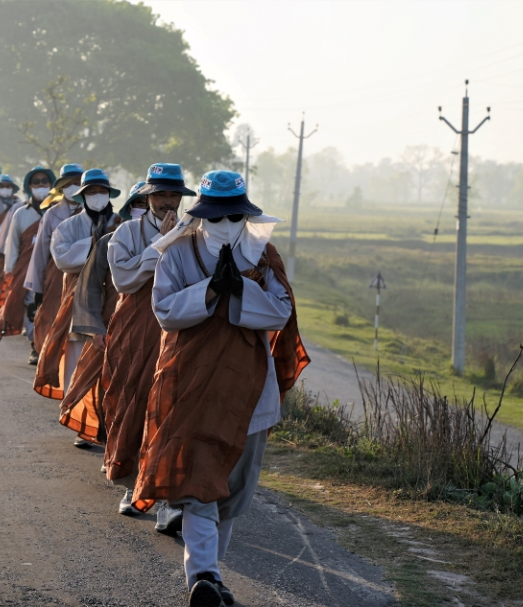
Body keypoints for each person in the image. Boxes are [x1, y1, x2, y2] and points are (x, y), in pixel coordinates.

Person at [132, 170, 309, 607]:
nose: (225, 224)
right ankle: (203, 575)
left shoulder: (263, 255)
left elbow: (281, 313)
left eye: (234, 216)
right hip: (189, 386)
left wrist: (241, 289)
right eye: (216, 216)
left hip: (249, 391)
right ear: (201, 215)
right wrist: (209, 292)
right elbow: (164, 311)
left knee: (231, 492)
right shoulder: (177, 252)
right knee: (198, 487)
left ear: (245, 215)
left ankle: (213, 577)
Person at [103, 164, 192, 530]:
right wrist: (162, 245)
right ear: (147, 197)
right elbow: (123, 280)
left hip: (179, 327)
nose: (167, 202)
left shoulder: (193, 232)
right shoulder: (127, 232)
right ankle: (134, 485)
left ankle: (171, 497)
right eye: (160, 195)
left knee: (173, 407)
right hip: (137, 329)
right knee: (134, 401)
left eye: (173, 195)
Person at [36, 169, 121, 446]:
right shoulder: (68, 226)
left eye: (102, 191)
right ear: (83, 196)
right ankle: (80, 422)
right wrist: (96, 244)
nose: (97, 196)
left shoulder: (122, 225)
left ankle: (107, 423)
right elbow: (62, 259)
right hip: (79, 302)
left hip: (114, 303)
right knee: (78, 364)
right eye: (91, 192)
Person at [0, 166, 56, 358]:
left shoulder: (58, 212)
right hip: (26, 269)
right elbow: (12, 244)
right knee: (31, 304)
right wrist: (10, 271)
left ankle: (47, 345)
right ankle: (35, 345)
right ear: (29, 187)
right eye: (36, 182)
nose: (41, 185)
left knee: (51, 305)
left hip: (53, 267)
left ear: (51, 185)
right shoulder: (20, 213)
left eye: (44, 181)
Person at [24, 163, 84, 365]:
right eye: (69, 183)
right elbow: (40, 253)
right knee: (50, 316)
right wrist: (37, 287)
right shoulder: (51, 214)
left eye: (78, 182)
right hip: (55, 275)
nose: (73, 187)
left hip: (85, 275)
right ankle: (41, 352)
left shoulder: (92, 212)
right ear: (61, 187)